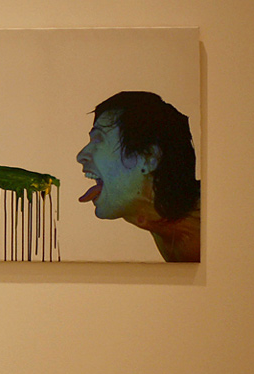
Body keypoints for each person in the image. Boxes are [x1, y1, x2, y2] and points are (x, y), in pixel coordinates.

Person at [76, 91, 201, 262]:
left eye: (99, 140)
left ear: (149, 158)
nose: (81, 156)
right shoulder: (161, 222)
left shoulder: (216, 232)